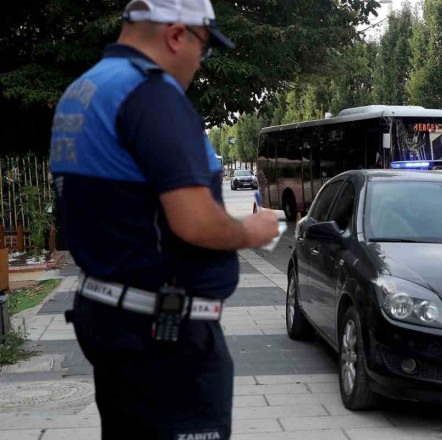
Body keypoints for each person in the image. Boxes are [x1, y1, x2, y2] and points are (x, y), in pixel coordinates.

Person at [49, 1, 279, 438]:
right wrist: (253, 230)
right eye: (204, 48)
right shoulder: (150, 94)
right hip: (163, 335)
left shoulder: (85, 89)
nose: (200, 61)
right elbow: (194, 223)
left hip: (111, 316)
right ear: (177, 35)